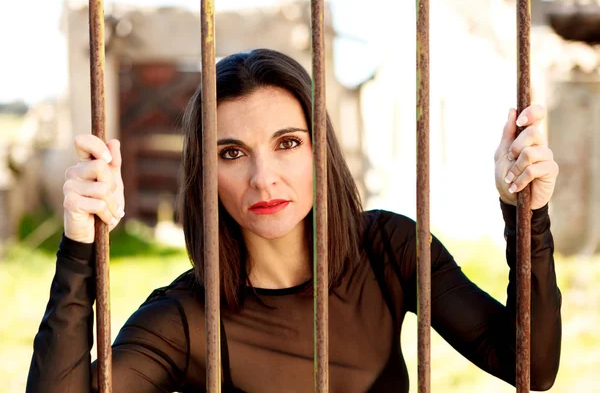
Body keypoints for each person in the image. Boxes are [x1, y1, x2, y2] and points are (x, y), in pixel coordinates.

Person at [26, 49, 561, 393]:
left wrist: (527, 213)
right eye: (232, 154)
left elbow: (531, 366)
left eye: (287, 144)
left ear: (318, 150)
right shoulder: (186, 317)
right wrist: (79, 246)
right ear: (204, 176)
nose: (264, 178)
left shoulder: (387, 247)